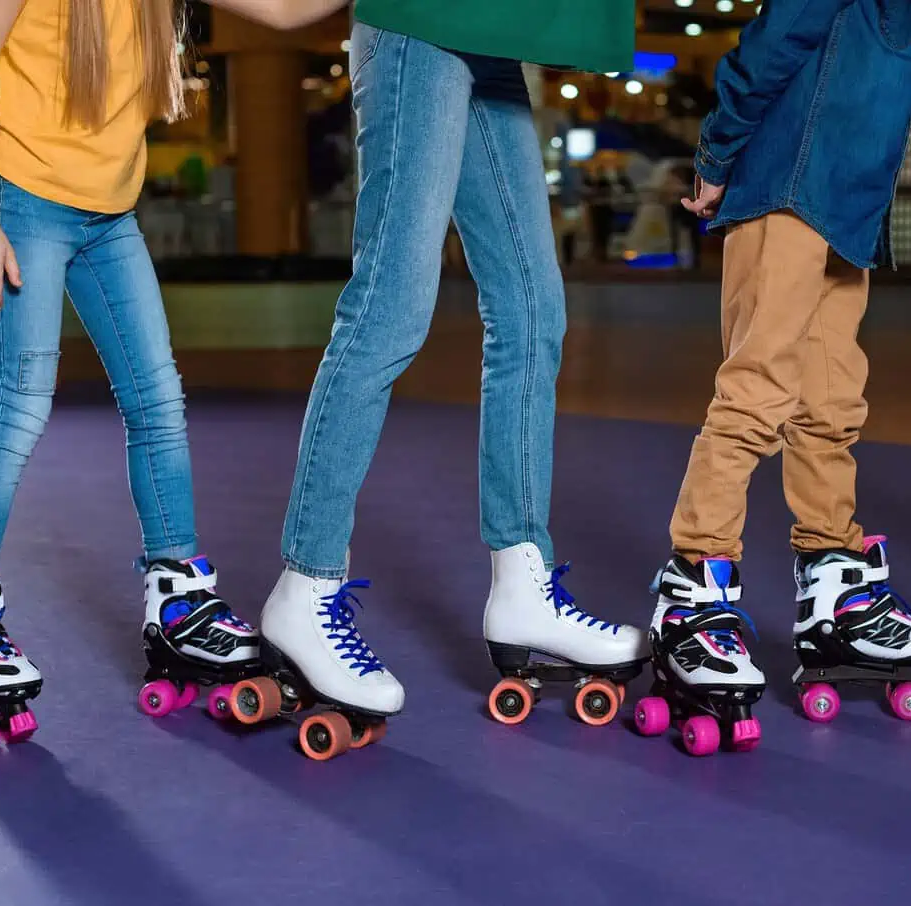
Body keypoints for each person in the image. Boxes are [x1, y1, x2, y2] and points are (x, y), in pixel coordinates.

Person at [0, 0, 342, 753]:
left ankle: (179, 600)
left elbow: (277, 9)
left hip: (111, 218)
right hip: (26, 203)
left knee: (159, 403)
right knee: (16, 408)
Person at [258, 0, 649, 730]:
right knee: (389, 307)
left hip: (492, 28)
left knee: (533, 311)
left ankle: (521, 582)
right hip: (423, 21)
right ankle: (305, 585)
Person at [638, 0, 911, 756]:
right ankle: (693, 593)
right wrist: (716, 157)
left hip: (849, 206)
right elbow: (774, 40)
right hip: (787, 181)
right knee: (756, 394)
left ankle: (834, 584)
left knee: (832, 404)